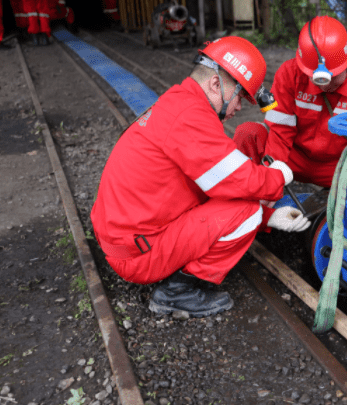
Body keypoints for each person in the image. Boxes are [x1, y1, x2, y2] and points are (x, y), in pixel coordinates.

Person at [91, 37, 311, 318]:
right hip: (138, 256)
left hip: (125, 237)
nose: (240, 107)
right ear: (216, 84)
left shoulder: (181, 102)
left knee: (247, 199)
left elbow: (212, 180)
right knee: (245, 211)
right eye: (240, 95)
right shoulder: (190, 119)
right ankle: (177, 292)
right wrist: (278, 178)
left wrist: (269, 218)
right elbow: (238, 182)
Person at [233, 16, 347, 188]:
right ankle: (245, 199)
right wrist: (273, 180)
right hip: (293, 158)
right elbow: (280, 132)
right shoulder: (289, 74)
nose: (325, 85)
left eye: (332, 77)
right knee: (248, 133)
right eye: (318, 79)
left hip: (338, 167)